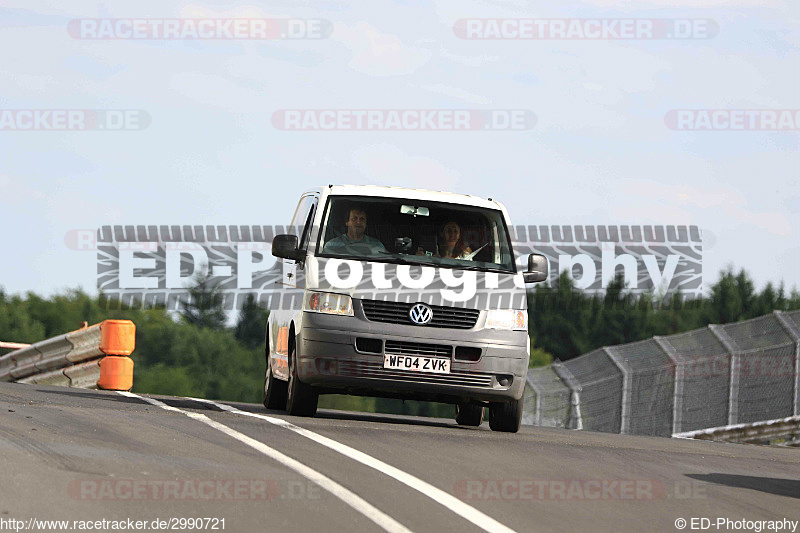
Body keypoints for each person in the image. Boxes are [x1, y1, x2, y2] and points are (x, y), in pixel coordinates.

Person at [322, 206, 388, 256]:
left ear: (366, 223)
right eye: (354, 219)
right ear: (347, 222)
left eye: (362, 219)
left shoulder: (377, 245)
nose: (358, 222)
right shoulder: (331, 246)